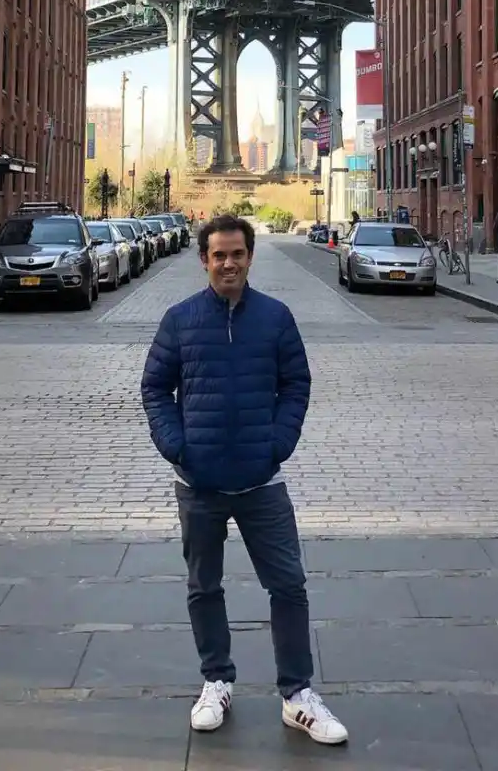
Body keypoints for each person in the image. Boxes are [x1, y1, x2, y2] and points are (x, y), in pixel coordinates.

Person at [141, 214, 349, 746]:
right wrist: (177, 448)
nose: (228, 263)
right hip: (199, 485)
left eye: (237, 254)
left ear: (250, 257)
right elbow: (154, 389)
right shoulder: (179, 320)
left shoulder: (276, 318)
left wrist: (276, 445)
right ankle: (216, 681)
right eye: (219, 255)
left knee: (289, 585)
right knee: (203, 587)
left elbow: (296, 384)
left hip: (262, 482)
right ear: (204, 260)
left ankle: (298, 696)